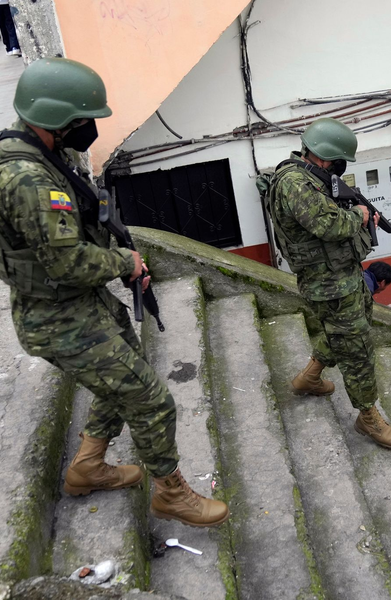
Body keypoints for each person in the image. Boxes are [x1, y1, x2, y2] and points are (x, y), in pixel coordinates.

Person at [0, 57, 228, 527]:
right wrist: (124, 262)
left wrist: (120, 258)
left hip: (76, 302)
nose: (90, 129)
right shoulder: (29, 179)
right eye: (84, 120)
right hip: (58, 316)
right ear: (59, 121)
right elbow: (65, 262)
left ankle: (87, 467)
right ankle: (171, 493)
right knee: (151, 399)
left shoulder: (39, 152)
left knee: (126, 374)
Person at [261, 117, 391, 450]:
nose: (340, 167)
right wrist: (360, 216)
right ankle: (368, 418)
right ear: (327, 157)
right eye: (340, 161)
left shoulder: (304, 177)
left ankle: (309, 377)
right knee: (357, 351)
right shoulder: (295, 183)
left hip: (339, 279)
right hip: (330, 286)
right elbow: (330, 226)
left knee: (343, 333)